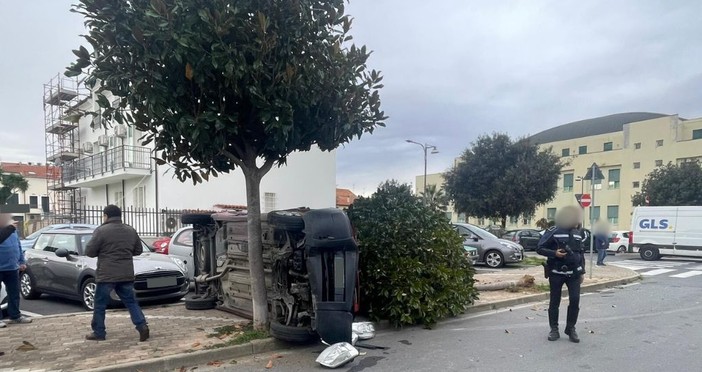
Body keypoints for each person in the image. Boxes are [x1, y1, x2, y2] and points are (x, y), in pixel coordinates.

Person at [85, 205, 150, 341]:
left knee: (100, 304)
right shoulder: (130, 230)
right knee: (131, 302)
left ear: (106, 216)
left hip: (106, 274)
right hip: (126, 273)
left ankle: (99, 332)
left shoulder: (101, 231)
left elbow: (89, 252)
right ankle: (142, 326)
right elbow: (138, 250)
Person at [537, 205, 586, 343]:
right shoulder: (554, 231)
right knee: (555, 301)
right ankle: (554, 329)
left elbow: (580, 253)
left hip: (574, 274)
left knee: (575, 300)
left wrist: (582, 271)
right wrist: (555, 253)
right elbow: (540, 248)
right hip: (556, 272)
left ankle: (571, 328)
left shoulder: (578, 233)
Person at [0, 214, 32, 328]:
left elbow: (17, 245)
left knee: (14, 293)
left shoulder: (13, 229)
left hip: (12, 267)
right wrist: (8, 228)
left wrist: (21, 261)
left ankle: (15, 316)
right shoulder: (8, 229)